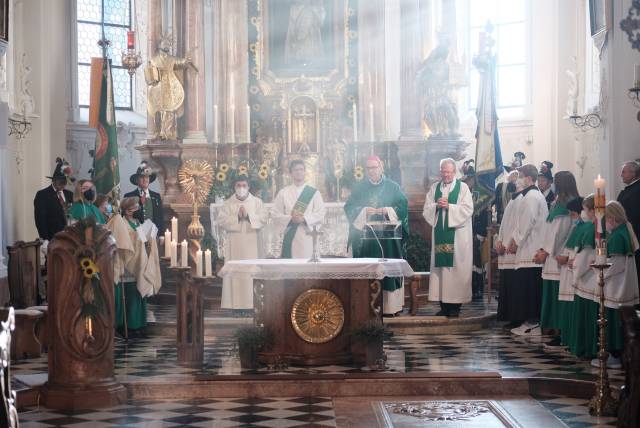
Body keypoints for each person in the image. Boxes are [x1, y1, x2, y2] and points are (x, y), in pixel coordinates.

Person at [344, 156, 409, 316]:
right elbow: (349, 207)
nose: (371, 171)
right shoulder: (359, 188)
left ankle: (390, 308)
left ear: (381, 168)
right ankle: (365, 306)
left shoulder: (393, 187)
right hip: (365, 238)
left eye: (374, 167)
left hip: (388, 238)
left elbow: (403, 206)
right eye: (368, 168)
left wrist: (387, 210)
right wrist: (364, 211)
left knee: (387, 268)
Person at [423, 158, 474, 318]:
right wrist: (436, 206)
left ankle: (455, 307)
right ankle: (444, 305)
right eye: (443, 171)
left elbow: (468, 209)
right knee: (441, 272)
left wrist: (449, 207)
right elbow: (426, 209)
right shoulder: (434, 188)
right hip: (440, 235)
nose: (446, 174)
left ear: (454, 172)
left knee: (456, 270)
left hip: (457, 237)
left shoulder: (463, 188)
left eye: (449, 172)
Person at [535, 171, 579, 348]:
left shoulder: (564, 205)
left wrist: (545, 251)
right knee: (555, 295)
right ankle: (555, 330)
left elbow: (557, 233)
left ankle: (560, 331)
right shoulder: (562, 202)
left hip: (557, 257)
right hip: (554, 255)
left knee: (558, 296)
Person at [109, 196, 162, 338]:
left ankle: (139, 324)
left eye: (138, 206)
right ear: (127, 211)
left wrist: (149, 235)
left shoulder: (138, 222)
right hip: (128, 263)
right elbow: (125, 240)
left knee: (140, 293)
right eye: (135, 207)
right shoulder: (122, 223)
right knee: (131, 293)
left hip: (141, 260)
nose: (138, 209)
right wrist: (138, 237)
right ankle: (130, 325)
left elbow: (142, 239)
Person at [217, 176, 268, 315]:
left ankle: (253, 305)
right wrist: (237, 217)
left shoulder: (257, 202)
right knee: (236, 273)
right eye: (238, 185)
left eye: (244, 185)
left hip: (253, 245)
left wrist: (249, 216)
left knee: (252, 272)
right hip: (235, 245)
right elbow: (221, 221)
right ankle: (236, 307)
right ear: (234, 187)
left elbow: (264, 218)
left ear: (249, 187)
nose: (241, 188)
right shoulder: (228, 203)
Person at [508, 164, 548, 336]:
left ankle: (532, 322)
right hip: (528, 248)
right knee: (527, 287)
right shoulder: (531, 195)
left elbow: (527, 222)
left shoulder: (532, 196)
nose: (518, 179)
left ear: (529, 178)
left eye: (521, 176)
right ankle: (530, 321)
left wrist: (515, 241)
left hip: (530, 249)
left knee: (530, 288)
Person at [272, 159, 326, 258]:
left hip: (308, 235)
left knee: (308, 267)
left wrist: (304, 218)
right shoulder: (283, 193)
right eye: (295, 170)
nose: (299, 172)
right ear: (290, 173)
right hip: (290, 234)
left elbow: (320, 214)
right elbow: (275, 214)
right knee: (292, 269)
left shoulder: (314, 192)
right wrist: (290, 218)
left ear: (305, 172)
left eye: (301, 169)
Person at [461, 161, 489, 300]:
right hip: (465, 233)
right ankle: (469, 288)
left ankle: (478, 288)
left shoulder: (480, 194)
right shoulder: (464, 193)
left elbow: (484, 215)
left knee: (477, 263)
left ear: (473, 179)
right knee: (467, 262)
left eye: (469, 179)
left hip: (477, 233)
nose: (467, 182)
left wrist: (480, 234)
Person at [495, 186, 523, 327]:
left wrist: (513, 242)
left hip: (513, 251)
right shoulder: (512, 200)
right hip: (505, 249)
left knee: (514, 287)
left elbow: (520, 226)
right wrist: (499, 240)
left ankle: (515, 318)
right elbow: (504, 225)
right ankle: (507, 315)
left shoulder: (523, 200)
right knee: (506, 285)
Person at [617, 160, 640, 305]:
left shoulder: (637, 190)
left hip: (635, 236)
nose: (621, 175)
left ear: (633, 173)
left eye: (624, 172)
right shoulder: (630, 190)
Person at [34, 158, 74, 241]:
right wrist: (46, 240)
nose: (63, 184)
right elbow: (40, 221)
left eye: (65, 181)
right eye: (60, 181)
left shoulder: (69, 194)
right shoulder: (42, 195)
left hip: (69, 239)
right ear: (54, 180)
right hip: (52, 239)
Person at [124, 162, 164, 232]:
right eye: (142, 177)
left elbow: (160, 218)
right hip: (136, 235)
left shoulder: (156, 196)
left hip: (154, 235)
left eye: (147, 177)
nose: (145, 179)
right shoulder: (129, 196)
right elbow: (126, 218)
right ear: (137, 180)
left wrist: (161, 235)